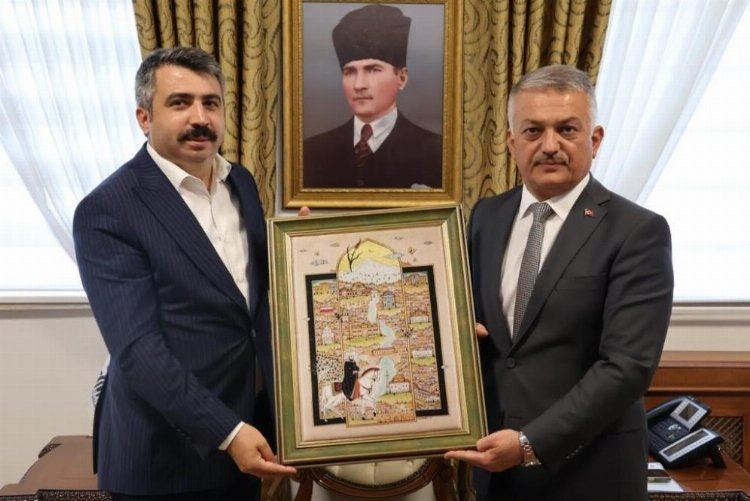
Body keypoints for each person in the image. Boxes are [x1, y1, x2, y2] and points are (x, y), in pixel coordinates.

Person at [73, 46, 296, 500]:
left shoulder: (241, 182)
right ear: (144, 117)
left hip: (250, 435)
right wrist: (228, 431)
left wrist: (306, 251)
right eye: (180, 103)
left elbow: (246, 297)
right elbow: (138, 350)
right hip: (164, 457)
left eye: (211, 103)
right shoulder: (108, 209)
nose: (200, 118)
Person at [444, 65, 674, 500]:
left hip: (591, 474)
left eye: (567, 129)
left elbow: (627, 367)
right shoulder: (486, 218)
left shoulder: (637, 231)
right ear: (512, 141)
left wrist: (529, 443)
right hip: (495, 472)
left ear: (595, 139)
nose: (550, 145)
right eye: (533, 130)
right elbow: (469, 322)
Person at [303, 4, 442, 189]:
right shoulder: (311, 152)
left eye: (373, 70)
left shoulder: (437, 152)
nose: (359, 84)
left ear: (401, 78)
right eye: (349, 72)